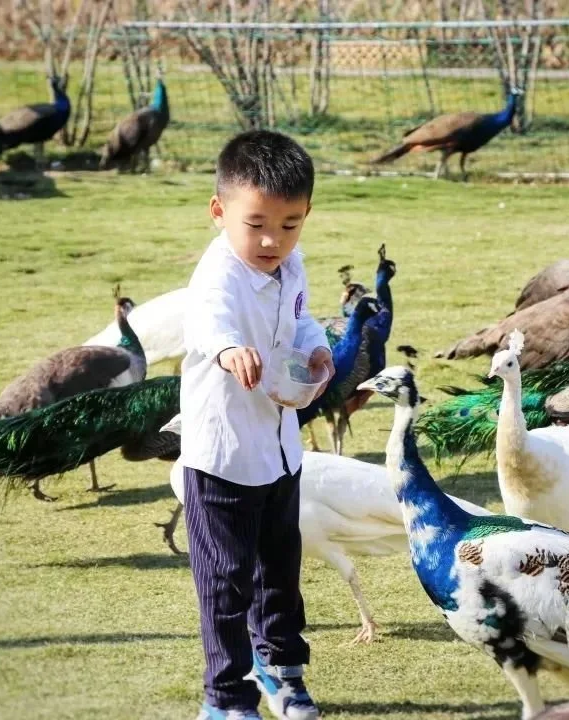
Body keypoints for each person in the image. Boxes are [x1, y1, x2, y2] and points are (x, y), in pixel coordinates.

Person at [180, 129, 335, 720]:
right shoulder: (216, 275)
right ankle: (226, 699)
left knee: (279, 574)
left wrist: (317, 348)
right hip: (222, 459)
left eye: (290, 223)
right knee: (226, 585)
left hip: (280, 453)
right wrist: (227, 350)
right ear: (219, 212)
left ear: (306, 214)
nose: (273, 239)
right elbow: (206, 321)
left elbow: (301, 322)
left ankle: (282, 670)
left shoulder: (291, 265)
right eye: (258, 223)